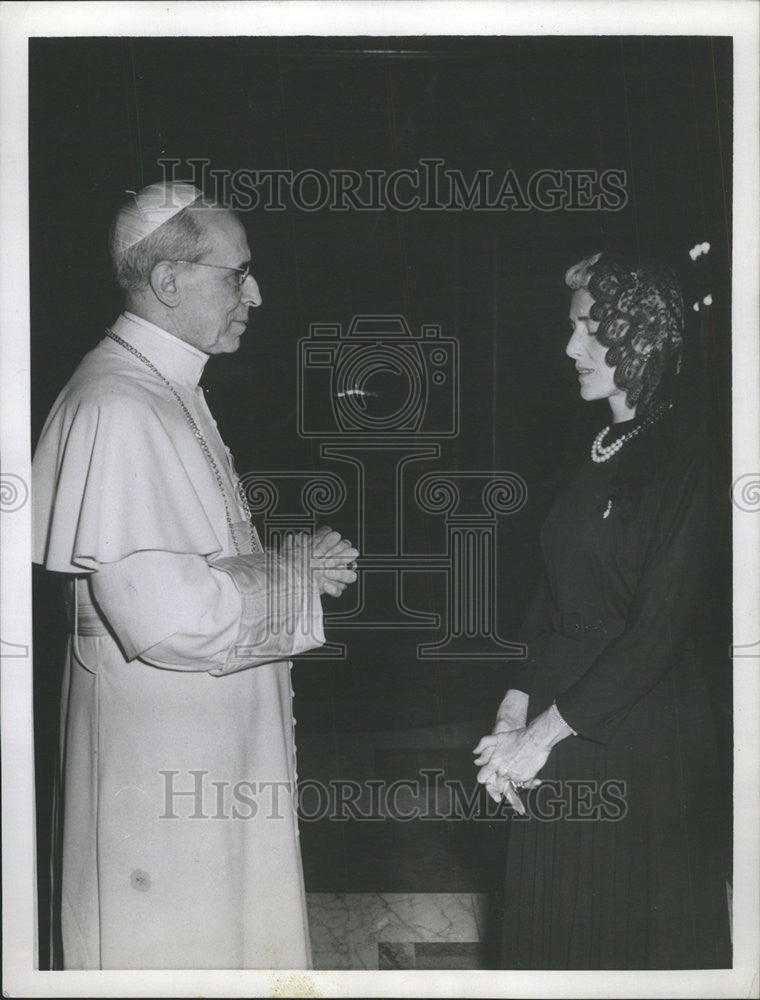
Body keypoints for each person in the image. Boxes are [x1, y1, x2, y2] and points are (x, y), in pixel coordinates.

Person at [32, 181, 358, 970]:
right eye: (235, 273)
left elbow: (191, 562)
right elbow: (170, 620)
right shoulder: (119, 404)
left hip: (199, 759)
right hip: (164, 775)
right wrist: (293, 579)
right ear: (170, 281)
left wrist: (285, 565)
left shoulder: (165, 389)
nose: (256, 292)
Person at [474, 251, 731, 969]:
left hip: (640, 739)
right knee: (553, 938)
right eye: (573, 327)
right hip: (560, 725)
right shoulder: (589, 446)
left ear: (642, 335)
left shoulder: (691, 457)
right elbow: (550, 594)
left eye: (590, 328)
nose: (570, 347)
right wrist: (512, 709)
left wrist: (537, 740)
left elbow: (656, 636)